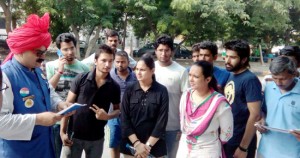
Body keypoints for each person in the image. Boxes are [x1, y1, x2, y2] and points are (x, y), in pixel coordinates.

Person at [0, 13, 71, 158]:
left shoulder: (37, 70)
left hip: (44, 148)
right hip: (20, 152)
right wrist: (37, 119)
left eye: (44, 52)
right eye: (39, 52)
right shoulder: (5, 76)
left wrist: (59, 104)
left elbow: (48, 92)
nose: (43, 57)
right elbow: (1, 123)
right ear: (21, 49)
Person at [60, 44, 121, 158]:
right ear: (95, 61)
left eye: (110, 61)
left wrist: (107, 116)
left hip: (96, 138)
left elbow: (118, 110)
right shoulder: (81, 79)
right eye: (103, 60)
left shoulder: (114, 86)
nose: (107, 64)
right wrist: (63, 132)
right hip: (74, 135)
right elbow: (67, 106)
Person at [177, 60, 233, 158]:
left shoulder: (219, 102)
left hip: (208, 150)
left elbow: (227, 134)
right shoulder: (186, 95)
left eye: (196, 77)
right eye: (190, 75)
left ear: (208, 79)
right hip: (184, 148)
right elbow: (182, 121)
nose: (191, 79)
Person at [46, 32, 90, 158]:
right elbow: (48, 90)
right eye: (65, 49)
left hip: (74, 121)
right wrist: (60, 70)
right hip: (55, 119)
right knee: (52, 153)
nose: (70, 52)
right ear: (59, 51)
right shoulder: (51, 66)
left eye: (72, 48)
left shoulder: (84, 68)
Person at [120, 54, 169, 158]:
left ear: (152, 70)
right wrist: (137, 144)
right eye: (137, 69)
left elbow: (161, 122)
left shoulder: (161, 91)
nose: (138, 72)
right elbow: (124, 119)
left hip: (154, 146)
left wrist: (147, 147)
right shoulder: (129, 90)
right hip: (132, 146)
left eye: (142, 70)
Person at [223, 39, 262, 158]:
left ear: (244, 59)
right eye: (226, 56)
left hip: (240, 143)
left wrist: (243, 147)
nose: (227, 61)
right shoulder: (232, 75)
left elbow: (255, 115)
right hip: (228, 139)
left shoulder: (250, 80)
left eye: (232, 57)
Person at [256, 56, 300, 158]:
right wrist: (261, 120)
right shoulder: (269, 88)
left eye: (283, 79)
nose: (278, 82)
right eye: (274, 78)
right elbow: (264, 111)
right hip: (265, 151)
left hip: (293, 153)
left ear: (294, 74)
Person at [154, 34, 189, 158]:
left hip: (173, 127)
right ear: (155, 51)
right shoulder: (150, 69)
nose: (163, 54)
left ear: (172, 51)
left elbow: (187, 102)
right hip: (152, 126)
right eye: (160, 50)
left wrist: (183, 127)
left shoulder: (181, 71)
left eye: (167, 50)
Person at [108, 50, 137, 158]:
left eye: (123, 62)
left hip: (132, 117)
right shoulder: (109, 75)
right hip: (114, 115)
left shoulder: (135, 76)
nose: (120, 64)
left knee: (130, 143)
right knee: (114, 143)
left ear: (128, 62)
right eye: (118, 62)